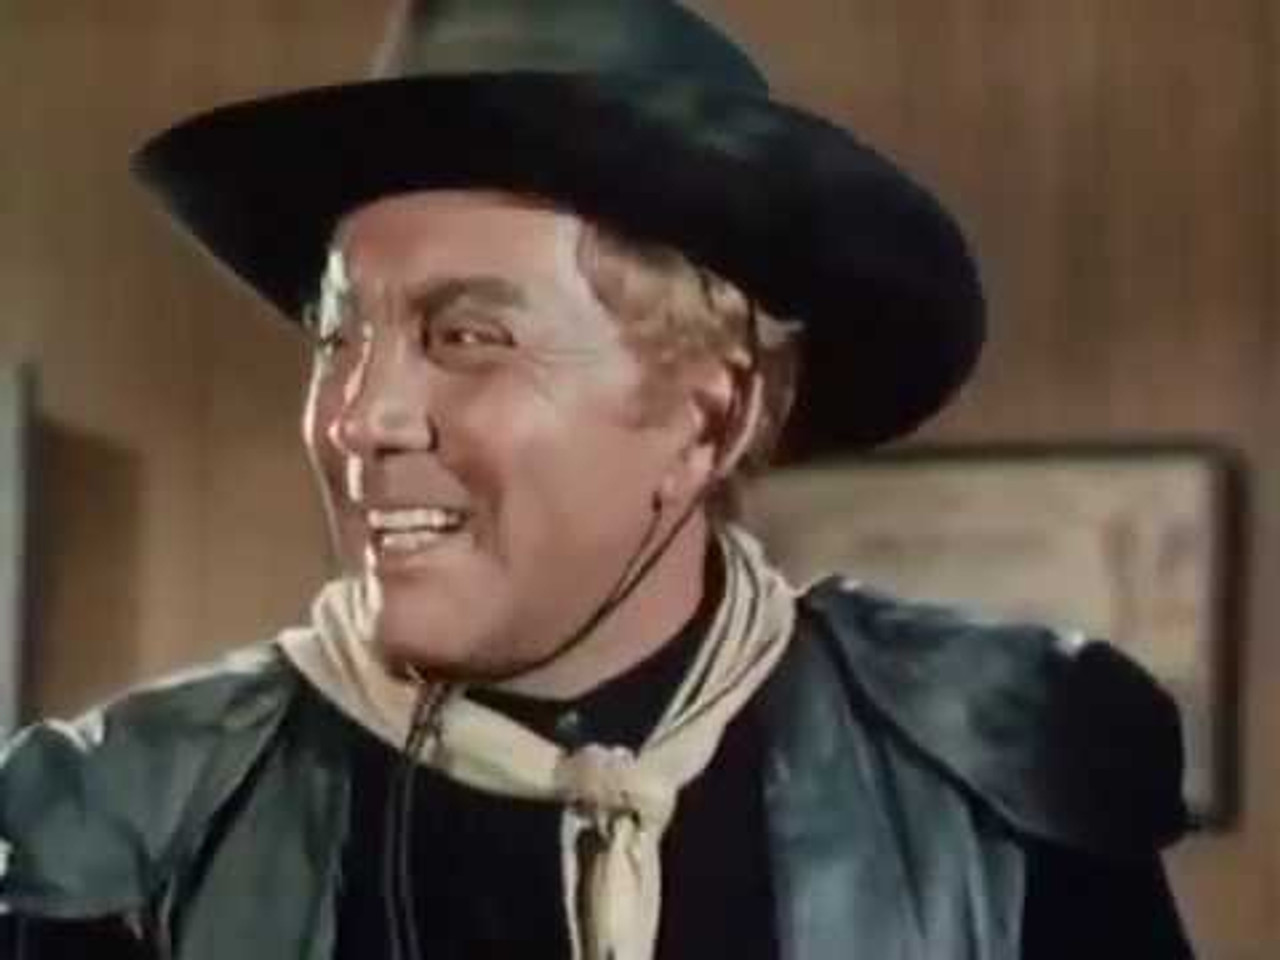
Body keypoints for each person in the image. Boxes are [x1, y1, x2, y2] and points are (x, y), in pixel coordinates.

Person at [0, 1, 1195, 958]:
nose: (357, 417)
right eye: (336, 337)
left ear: (708, 414)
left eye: (467, 336)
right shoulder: (131, 834)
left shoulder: (994, 791)